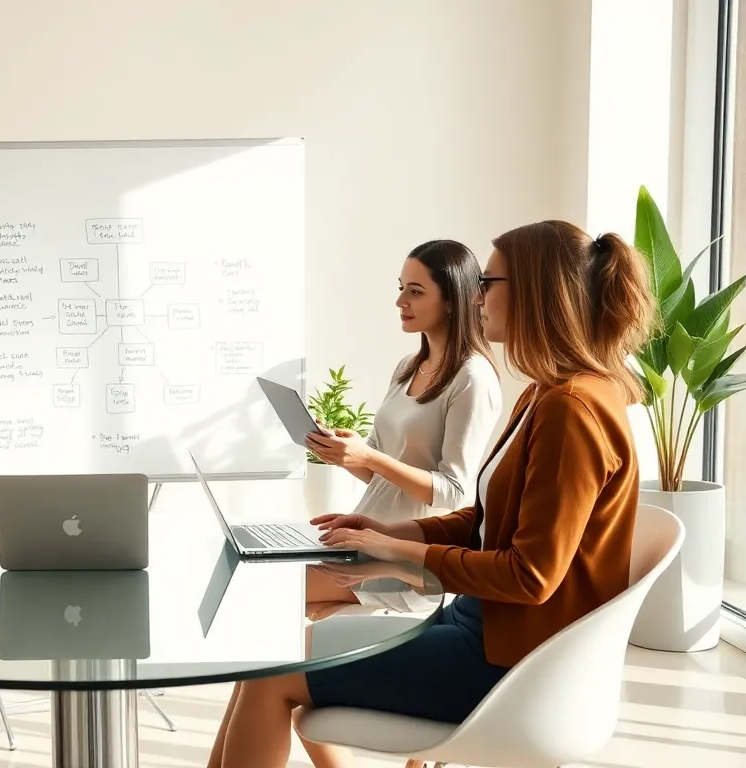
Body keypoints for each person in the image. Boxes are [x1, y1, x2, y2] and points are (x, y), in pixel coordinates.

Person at [207, 220, 655, 768]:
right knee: (269, 649)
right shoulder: (547, 394)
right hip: (480, 629)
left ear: (535, 291)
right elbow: (489, 520)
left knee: (272, 666)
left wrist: (403, 553)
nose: (479, 295)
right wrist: (393, 532)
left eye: (489, 282)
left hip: (506, 663)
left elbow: (529, 576)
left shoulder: (571, 411)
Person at [305, 239, 502, 525]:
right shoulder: (407, 367)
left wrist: (369, 456)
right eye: (401, 288)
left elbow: (454, 492)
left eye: (416, 292)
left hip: (413, 551)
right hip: (367, 536)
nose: (400, 301)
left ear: (452, 300)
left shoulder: (472, 377)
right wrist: (343, 453)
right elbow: (379, 476)